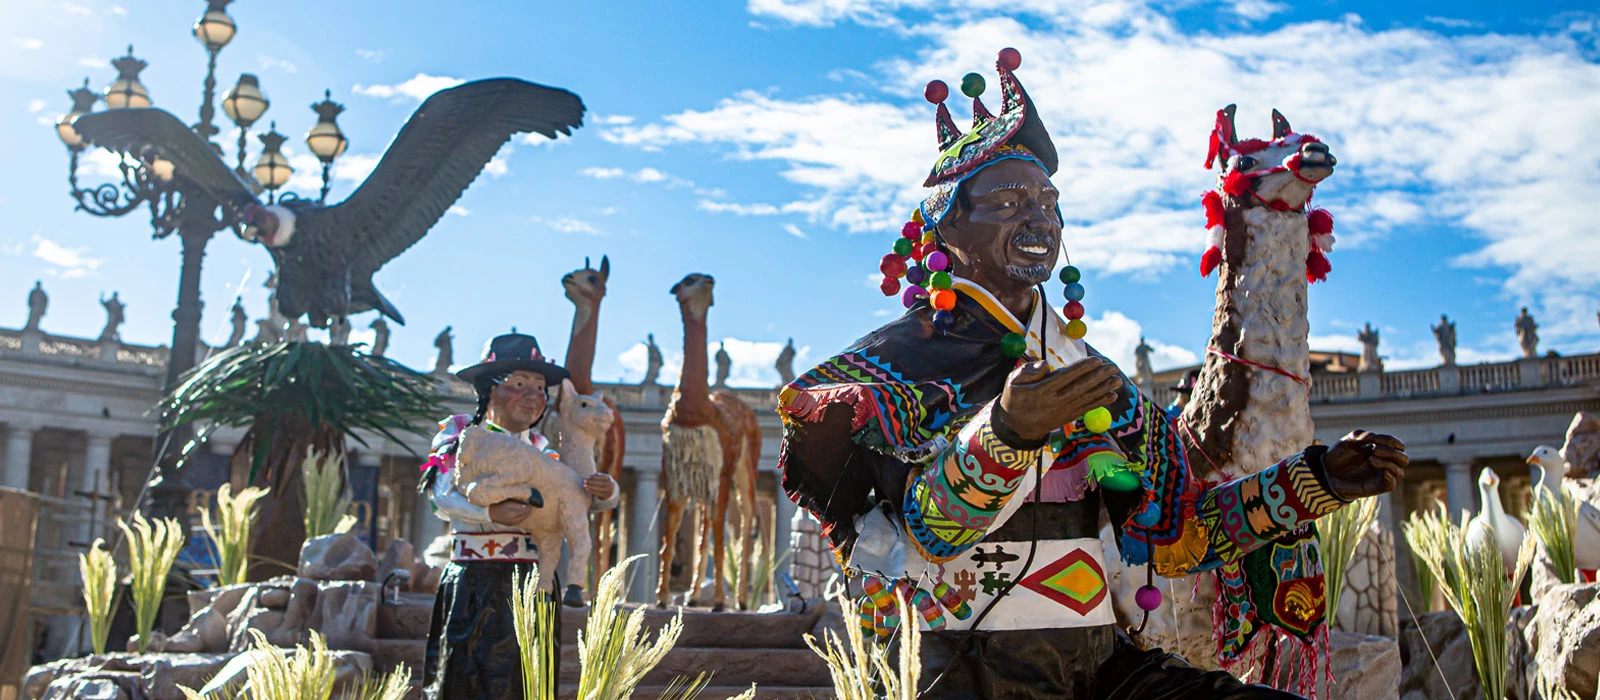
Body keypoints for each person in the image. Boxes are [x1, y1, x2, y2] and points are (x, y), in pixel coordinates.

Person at [776, 48, 1407, 699]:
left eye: (1048, 202)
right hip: (955, 673)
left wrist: (1315, 479)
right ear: (947, 230)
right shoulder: (891, 372)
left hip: (1102, 671)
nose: (1040, 217)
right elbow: (926, 530)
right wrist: (1006, 436)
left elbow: (1179, 536)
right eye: (1009, 202)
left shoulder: (1089, 376)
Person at [421, 332, 620, 700]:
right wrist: (488, 511)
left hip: (533, 581)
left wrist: (607, 493)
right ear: (489, 389)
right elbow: (442, 495)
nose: (534, 396)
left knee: (526, 682)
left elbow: (572, 498)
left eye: (541, 387)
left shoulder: (543, 450)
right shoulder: (460, 436)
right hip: (473, 581)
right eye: (518, 384)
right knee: (462, 678)